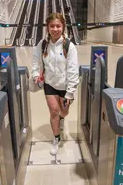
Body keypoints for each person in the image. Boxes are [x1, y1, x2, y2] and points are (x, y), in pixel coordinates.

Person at [31, 13, 79, 156]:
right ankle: (56, 138)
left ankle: (62, 119)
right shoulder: (43, 44)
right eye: (52, 26)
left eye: (58, 26)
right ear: (48, 28)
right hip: (50, 84)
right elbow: (35, 61)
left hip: (65, 86)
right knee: (54, 111)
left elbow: (73, 70)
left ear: (63, 27)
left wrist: (70, 93)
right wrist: (35, 74)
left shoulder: (69, 46)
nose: (55, 29)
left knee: (63, 112)